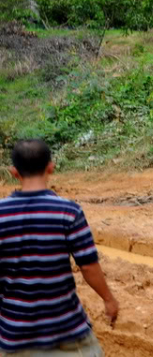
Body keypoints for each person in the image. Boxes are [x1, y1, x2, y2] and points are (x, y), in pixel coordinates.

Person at [1, 139, 119, 356]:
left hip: (15, 336)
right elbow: (89, 267)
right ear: (50, 167)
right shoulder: (68, 211)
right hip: (67, 333)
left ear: (14, 172)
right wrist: (109, 300)